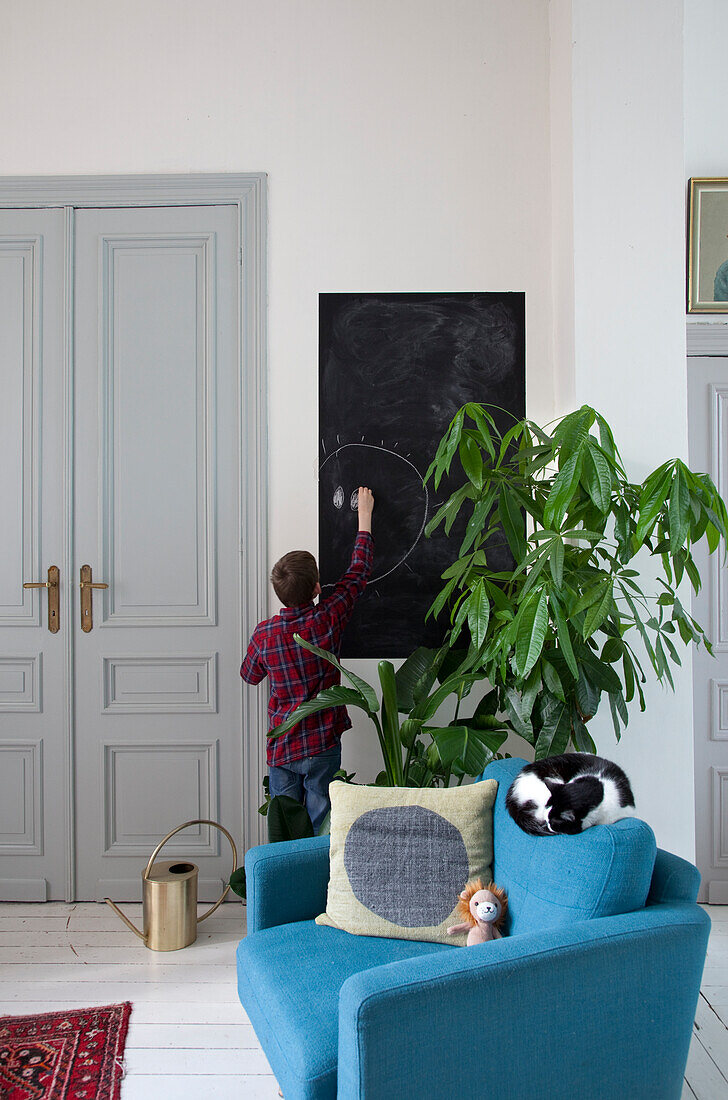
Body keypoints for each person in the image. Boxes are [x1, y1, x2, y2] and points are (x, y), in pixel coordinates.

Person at [241, 486, 374, 832]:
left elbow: (249, 675)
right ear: (317, 587)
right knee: (320, 825)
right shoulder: (327, 618)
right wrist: (364, 518)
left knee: (284, 825)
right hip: (322, 743)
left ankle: (285, 879)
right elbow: (358, 573)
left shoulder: (264, 634)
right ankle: (318, 883)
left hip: (283, 746)